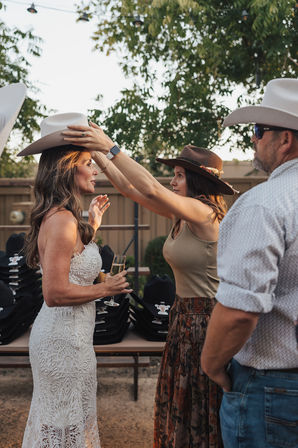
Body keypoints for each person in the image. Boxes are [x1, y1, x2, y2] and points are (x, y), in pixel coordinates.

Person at [62, 123, 236, 448]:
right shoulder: (181, 215)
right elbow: (132, 189)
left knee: (199, 403)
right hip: (184, 319)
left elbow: (153, 190)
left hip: (207, 323)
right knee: (183, 402)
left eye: (179, 176)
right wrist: (97, 152)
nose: (172, 181)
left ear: (197, 182)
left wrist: (111, 146)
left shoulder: (204, 213)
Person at [18, 112, 131, 447]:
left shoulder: (66, 218)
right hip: (60, 342)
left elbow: (71, 261)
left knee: (70, 426)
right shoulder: (62, 221)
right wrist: (106, 288)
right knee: (64, 427)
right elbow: (53, 292)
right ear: (68, 167)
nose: (95, 169)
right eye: (88, 162)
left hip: (73, 338)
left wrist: (92, 226)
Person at [200, 78, 298, 448]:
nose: (253, 139)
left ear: (285, 139)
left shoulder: (264, 203)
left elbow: (240, 312)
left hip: (272, 389)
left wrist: (212, 366)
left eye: (258, 130)